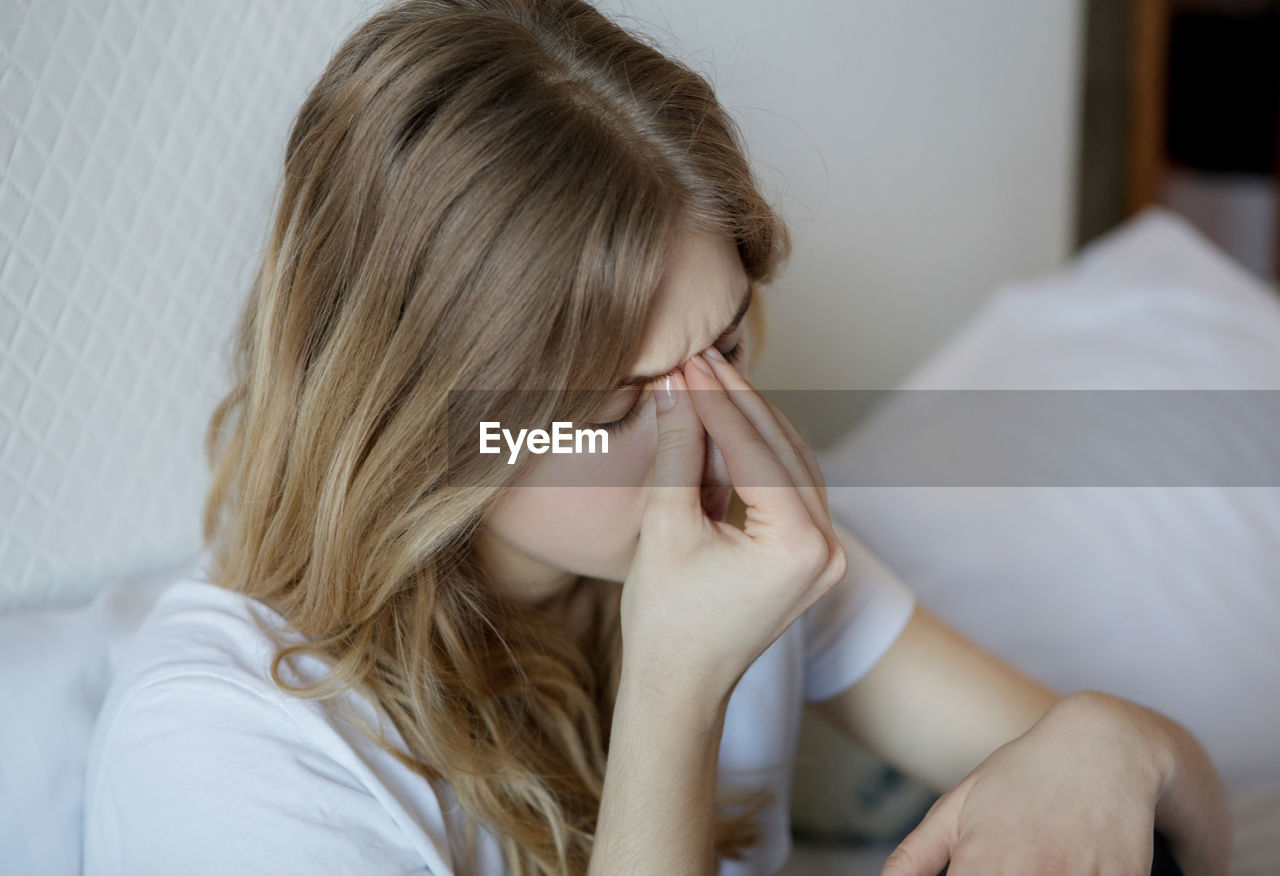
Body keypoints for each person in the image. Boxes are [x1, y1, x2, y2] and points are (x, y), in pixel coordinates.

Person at [81, 1, 1232, 874]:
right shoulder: (225, 743)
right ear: (417, 415)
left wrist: (1108, 740)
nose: (710, 441)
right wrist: (676, 684)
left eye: (724, 350)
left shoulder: (735, 536)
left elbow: (1185, 815)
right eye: (611, 411)